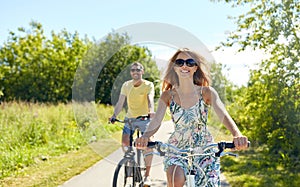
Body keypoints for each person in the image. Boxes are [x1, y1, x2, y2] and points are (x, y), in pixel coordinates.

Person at [136, 48, 248, 187]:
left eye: (190, 62)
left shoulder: (206, 92)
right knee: (175, 179)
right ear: (174, 67)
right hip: (177, 148)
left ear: (195, 68)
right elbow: (157, 120)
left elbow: (223, 114)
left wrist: (237, 134)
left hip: (205, 149)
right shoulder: (168, 95)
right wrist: (146, 136)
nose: (184, 66)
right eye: (180, 62)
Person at [109, 62, 155, 186]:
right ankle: (129, 160)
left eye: (138, 70)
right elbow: (120, 102)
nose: (135, 72)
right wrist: (114, 115)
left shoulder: (148, 85)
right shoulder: (126, 85)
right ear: (130, 72)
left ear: (142, 71)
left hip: (144, 119)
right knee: (124, 141)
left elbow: (150, 99)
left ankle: (147, 176)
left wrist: (151, 111)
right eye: (133, 70)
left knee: (148, 143)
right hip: (130, 119)